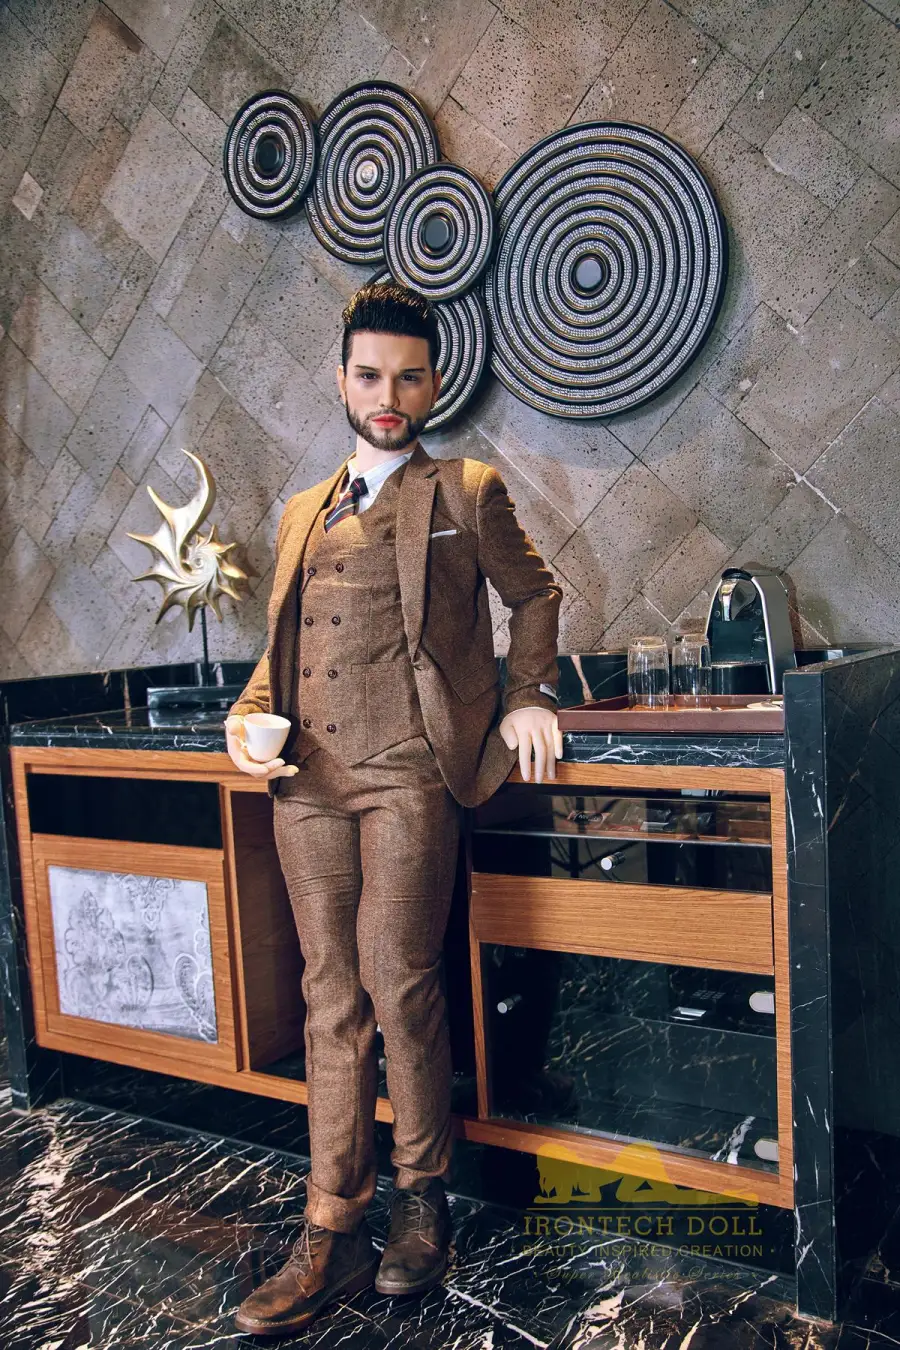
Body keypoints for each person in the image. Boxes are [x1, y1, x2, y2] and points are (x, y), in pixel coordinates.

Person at [226, 281, 562, 1336]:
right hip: (306, 785)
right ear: (341, 379)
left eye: (408, 378)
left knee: (397, 979)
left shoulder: (465, 490)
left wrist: (529, 694)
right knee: (329, 994)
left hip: (411, 775)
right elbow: (278, 654)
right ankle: (331, 1228)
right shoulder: (300, 512)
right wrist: (246, 718)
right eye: (370, 375)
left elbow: (536, 594)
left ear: (433, 384)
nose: (388, 395)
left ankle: (423, 1203)